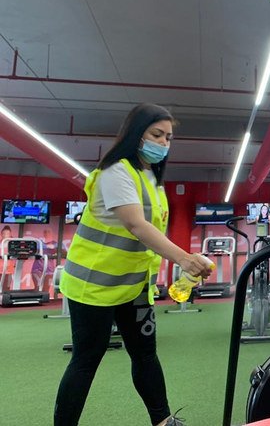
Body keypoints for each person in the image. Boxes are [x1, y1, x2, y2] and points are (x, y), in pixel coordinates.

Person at [54, 103, 212, 426]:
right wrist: (185, 258)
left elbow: (149, 233)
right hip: (93, 287)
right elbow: (137, 226)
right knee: (86, 360)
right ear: (136, 133)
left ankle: (164, 421)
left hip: (134, 287)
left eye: (168, 138)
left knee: (145, 354)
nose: (164, 143)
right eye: (157, 134)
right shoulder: (116, 173)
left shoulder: (151, 177)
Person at [31, 228, 59, 294]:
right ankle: (35, 301)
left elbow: (64, 253)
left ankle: (44, 303)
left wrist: (54, 248)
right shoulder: (39, 242)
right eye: (45, 232)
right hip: (37, 269)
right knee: (38, 287)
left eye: (48, 232)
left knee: (46, 289)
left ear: (52, 233)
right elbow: (33, 250)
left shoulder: (56, 244)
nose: (47, 233)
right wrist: (47, 246)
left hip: (50, 270)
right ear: (43, 233)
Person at [1, 225, 14, 291]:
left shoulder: (13, 244)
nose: (5, 235)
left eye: (7, 233)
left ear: (10, 234)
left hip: (8, 269)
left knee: (6, 287)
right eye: (4, 233)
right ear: (1, 234)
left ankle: (4, 300)